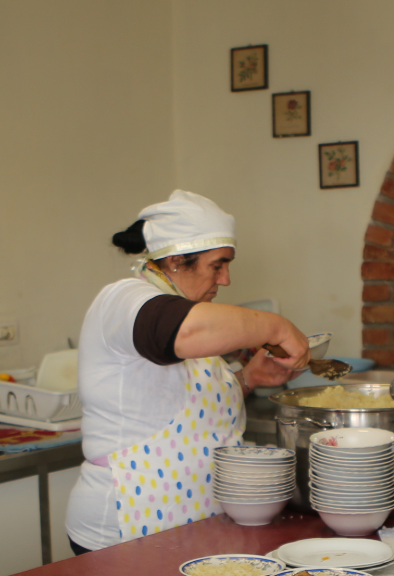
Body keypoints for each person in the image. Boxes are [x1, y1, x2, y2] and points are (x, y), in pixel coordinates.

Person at [65, 190, 308, 554]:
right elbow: (185, 331)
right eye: (218, 265)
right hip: (127, 522)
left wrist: (247, 379)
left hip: (189, 522)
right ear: (178, 259)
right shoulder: (125, 299)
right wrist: (278, 328)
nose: (225, 279)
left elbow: (179, 406)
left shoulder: (185, 309)